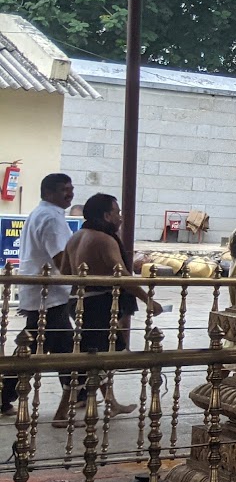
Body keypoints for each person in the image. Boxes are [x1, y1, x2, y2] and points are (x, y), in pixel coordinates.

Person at [64, 194, 162, 421]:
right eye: (116, 212)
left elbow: (64, 271)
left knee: (99, 355)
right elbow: (123, 275)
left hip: (77, 301)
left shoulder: (75, 237)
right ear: (106, 215)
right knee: (91, 359)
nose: (120, 217)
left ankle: (110, 402)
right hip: (96, 304)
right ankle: (62, 411)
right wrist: (148, 299)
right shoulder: (104, 240)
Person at [1, 173, 78, 418]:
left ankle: (3, 396)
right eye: (65, 189)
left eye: (71, 188)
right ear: (49, 193)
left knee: (31, 347)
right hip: (49, 295)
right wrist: (80, 279)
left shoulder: (41, 213)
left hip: (40, 294)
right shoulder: (51, 218)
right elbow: (61, 259)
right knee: (66, 349)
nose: (70, 193)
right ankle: (77, 395)